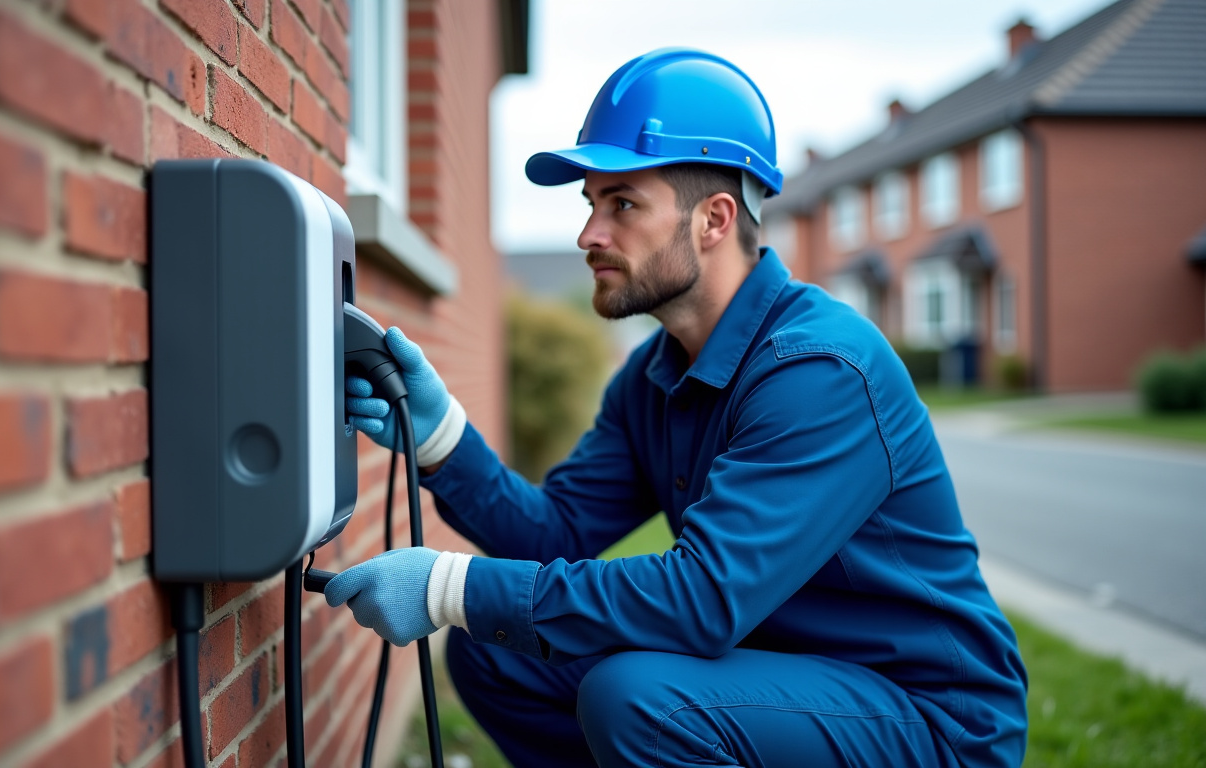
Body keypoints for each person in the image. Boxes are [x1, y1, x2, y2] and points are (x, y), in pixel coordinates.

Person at [328, 48, 1027, 767]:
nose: (588, 235)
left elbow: (704, 599)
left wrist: (450, 586)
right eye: (591, 204)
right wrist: (442, 435)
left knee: (639, 699)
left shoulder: (818, 371)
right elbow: (557, 534)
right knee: (497, 654)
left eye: (622, 204)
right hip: (771, 678)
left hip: (925, 717)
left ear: (715, 221)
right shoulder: (654, 375)